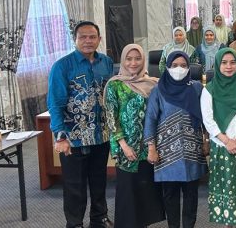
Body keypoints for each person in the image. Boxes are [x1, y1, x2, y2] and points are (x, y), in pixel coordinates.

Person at [48, 21, 114, 228]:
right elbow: (55, 103)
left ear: (99, 39)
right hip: (73, 138)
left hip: (100, 135)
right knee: (74, 185)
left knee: (99, 181)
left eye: (92, 37)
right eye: (83, 37)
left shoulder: (107, 62)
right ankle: (75, 223)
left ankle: (99, 218)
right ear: (75, 39)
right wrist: (60, 135)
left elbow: (111, 94)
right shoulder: (63, 66)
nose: (88, 41)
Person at [144, 51, 207, 228]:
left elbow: (205, 116)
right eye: (174, 65)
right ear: (168, 67)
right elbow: (150, 118)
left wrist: (206, 140)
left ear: (189, 67)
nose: (179, 69)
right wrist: (151, 147)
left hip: (192, 149)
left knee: (191, 194)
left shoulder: (196, 87)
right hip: (166, 152)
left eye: (183, 65)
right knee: (170, 194)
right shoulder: (158, 90)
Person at [105, 44, 165, 228]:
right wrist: (123, 145)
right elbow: (111, 117)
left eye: (137, 58)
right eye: (128, 59)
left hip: (148, 147)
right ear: (123, 60)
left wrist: (153, 146)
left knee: (145, 191)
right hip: (127, 149)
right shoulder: (114, 85)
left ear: (143, 60)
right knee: (127, 193)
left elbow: (159, 115)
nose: (133, 63)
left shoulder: (153, 83)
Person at [201, 48, 236, 227]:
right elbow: (208, 120)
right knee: (227, 189)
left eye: (232, 62)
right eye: (224, 63)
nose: (228, 66)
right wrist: (226, 141)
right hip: (222, 144)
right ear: (217, 64)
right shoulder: (209, 89)